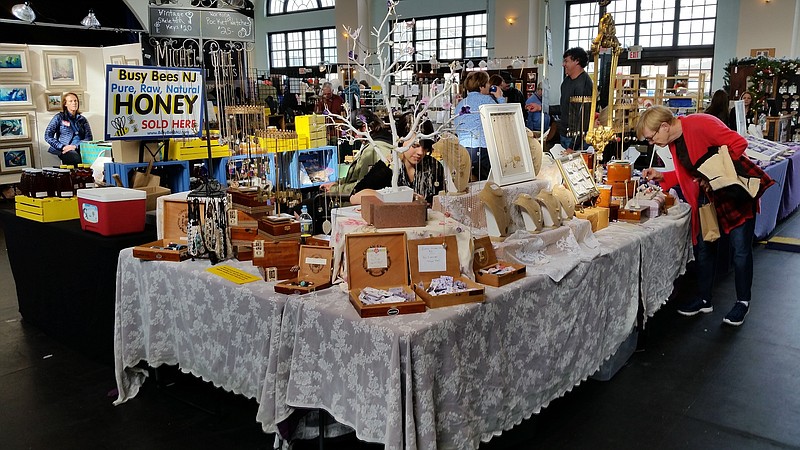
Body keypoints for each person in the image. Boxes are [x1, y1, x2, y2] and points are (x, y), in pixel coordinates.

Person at [638, 105, 774, 326]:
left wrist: (714, 177)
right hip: (709, 198)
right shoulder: (674, 142)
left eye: (652, 138)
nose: (652, 143)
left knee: (740, 250)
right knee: (704, 248)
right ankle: (704, 298)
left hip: (733, 194)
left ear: (664, 126)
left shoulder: (701, 123)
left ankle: (743, 302)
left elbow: (739, 144)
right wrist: (661, 176)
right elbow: (690, 175)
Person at [350, 117, 444, 206]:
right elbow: (355, 197)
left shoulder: (434, 166)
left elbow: (443, 199)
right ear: (400, 140)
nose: (420, 152)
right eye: (415, 145)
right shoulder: (389, 165)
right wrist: (392, 196)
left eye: (425, 147)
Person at [320, 108, 393, 197]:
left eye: (354, 132)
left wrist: (334, 189)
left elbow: (362, 185)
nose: (354, 136)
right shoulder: (380, 142)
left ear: (364, 127)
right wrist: (337, 183)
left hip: (358, 201)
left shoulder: (373, 149)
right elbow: (356, 178)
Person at [454, 71, 505, 181]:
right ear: (482, 86)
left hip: (463, 148)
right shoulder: (487, 100)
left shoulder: (461, 104)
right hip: (482, 148)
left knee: (469, 182)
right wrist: (500, 98)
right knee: (484, 184)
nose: (489, 86)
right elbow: (502, 117)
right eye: (487, 84)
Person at [559, 47, 594, 151]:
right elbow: (564, 107)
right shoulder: (566, 81)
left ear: (577, 61)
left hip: (576, 140)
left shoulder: (585, 84)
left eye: (566, 61)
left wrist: (573, 145)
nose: (563, 64)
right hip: (565, 135)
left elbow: (584, 117)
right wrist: (542, 107)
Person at [44, 92, 93, 166]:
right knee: (74, 157)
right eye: (71, 101)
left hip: (80, 148)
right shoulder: (59, 117)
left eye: (75, 101)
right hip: (65, 149)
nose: (74, 103)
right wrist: (62, 147)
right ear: (65, 104)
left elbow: (89, 137)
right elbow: (48, 136)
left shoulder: (82, 119)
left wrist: (75, 146)